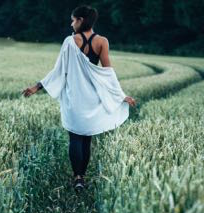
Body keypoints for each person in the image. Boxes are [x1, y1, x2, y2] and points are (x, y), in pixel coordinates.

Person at [22, 5, 137, 192]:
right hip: (92, 98)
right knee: (87, 138)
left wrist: (37, 86)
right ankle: (82, 178)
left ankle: (77, 177)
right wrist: (121, 96)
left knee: (75, 137)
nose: (71, 23)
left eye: (73, 19)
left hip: (74, 98)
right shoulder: (102, 41)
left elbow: (58, 70)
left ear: (81, 20)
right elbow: (107, 73)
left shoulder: (69, 41)